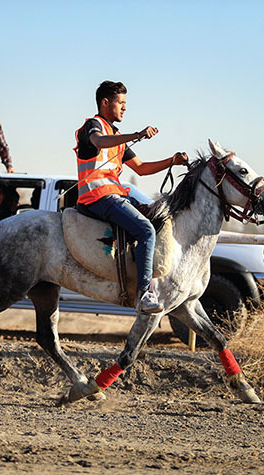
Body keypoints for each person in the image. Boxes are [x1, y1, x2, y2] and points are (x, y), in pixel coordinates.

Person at [74, 80, 188, 314]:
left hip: (114, 194)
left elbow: (142, 168)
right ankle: (144, 294)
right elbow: (99, 142)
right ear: (106, 103)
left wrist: (172, 161)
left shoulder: (115, 135)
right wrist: (136, 135)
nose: (125, 108)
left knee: (157, 218)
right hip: (97, 196)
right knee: (145, 229)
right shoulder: (93, 126)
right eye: (121, 103)